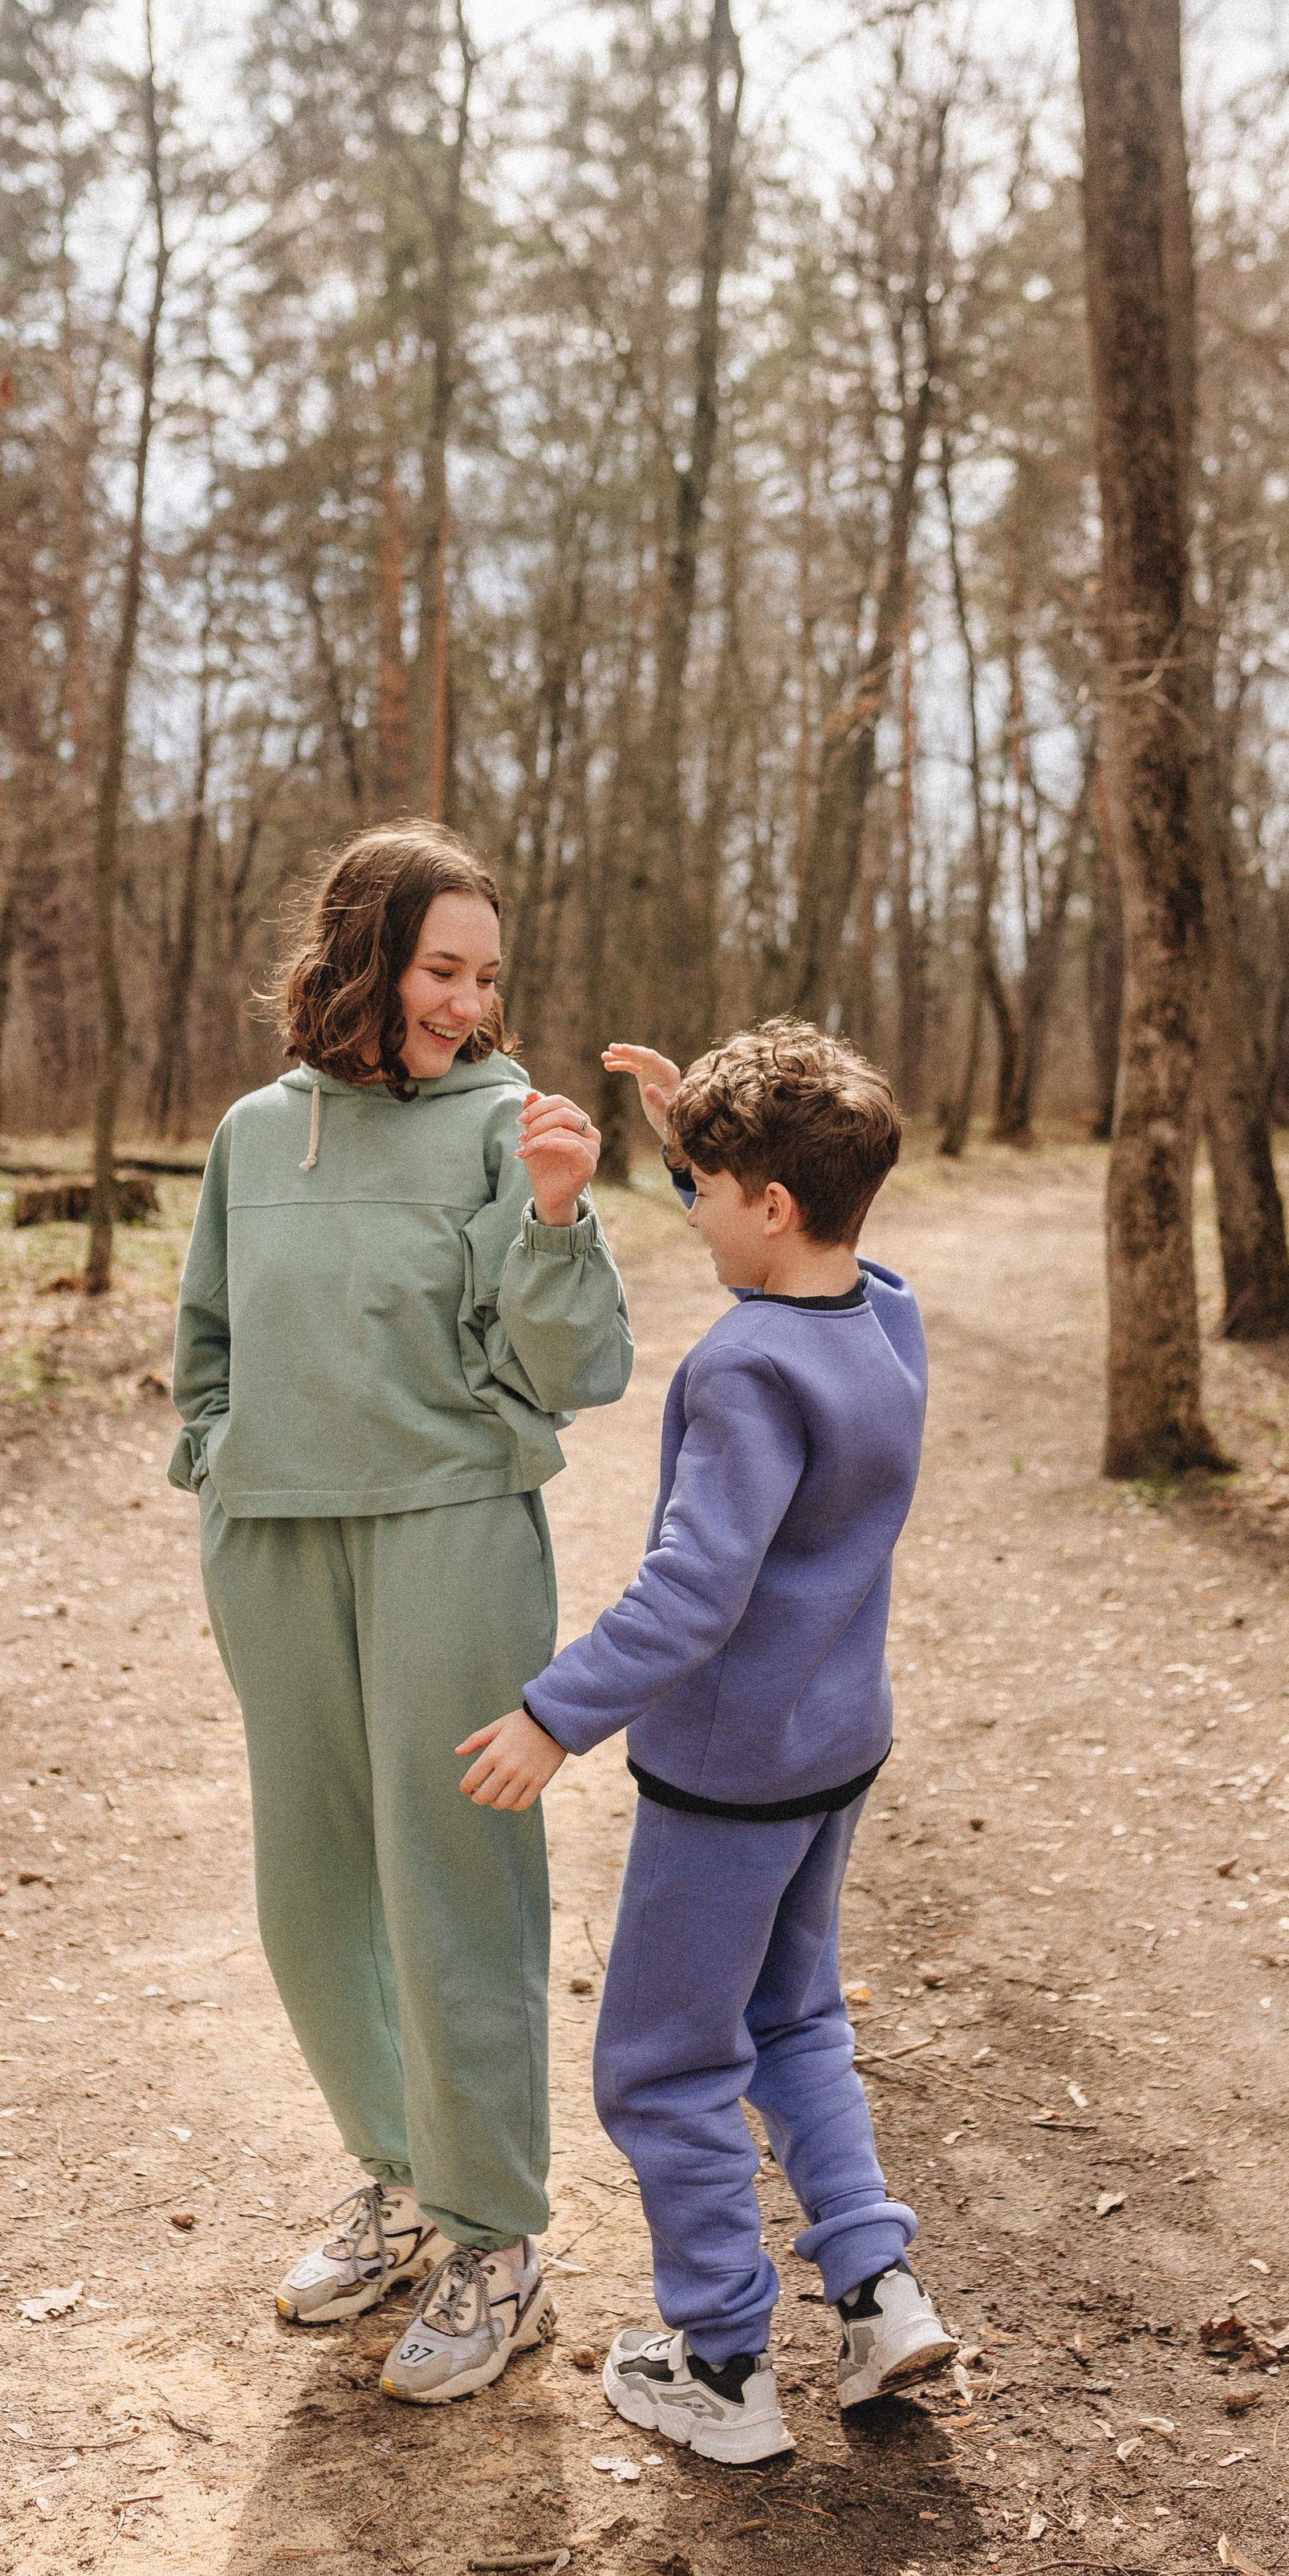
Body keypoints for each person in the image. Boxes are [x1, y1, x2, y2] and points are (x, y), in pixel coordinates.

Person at [169, 821, 632, 2406]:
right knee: (309, 1895)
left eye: (486, 975)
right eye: (442, 968)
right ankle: (394, 2178)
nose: (465, 1001)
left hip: (446, 1532)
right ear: (362, 955)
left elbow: (578, 1370)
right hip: (275, 1539)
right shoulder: (253, 1136)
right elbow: (207, 1333)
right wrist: (219, 1460)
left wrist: (560, 1215)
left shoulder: (515, 1124)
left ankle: (495, 2237)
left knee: (452, 1887)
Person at [457, 1018, 953, 2464]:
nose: (688, 1207)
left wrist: (560, 1715)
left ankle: (723, 2361)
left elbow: (693, 1591)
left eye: (703, 1188)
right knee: (795, 2018)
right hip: (834, 1750)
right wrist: (720, 1136)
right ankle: (875, 2286)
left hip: (730, 1780)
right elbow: (815, 1221)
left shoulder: (744, 1368)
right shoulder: (884, 1318)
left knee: (664, 2067)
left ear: (772, 1205)